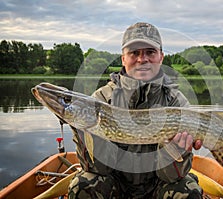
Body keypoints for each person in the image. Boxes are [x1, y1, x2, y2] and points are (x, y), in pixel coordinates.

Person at [68, 22, 203, 199]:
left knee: (187, 191)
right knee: (82, 185)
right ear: (123, 58)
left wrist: (176, 151)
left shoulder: (176, 102)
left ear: (161, 57)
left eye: (150, 52)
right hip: (116, 185)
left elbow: (171, 177)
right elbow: (98, 169)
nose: (142, 59)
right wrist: (82, 132)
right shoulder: (101, 99)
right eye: (134, 53)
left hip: (158, 187)